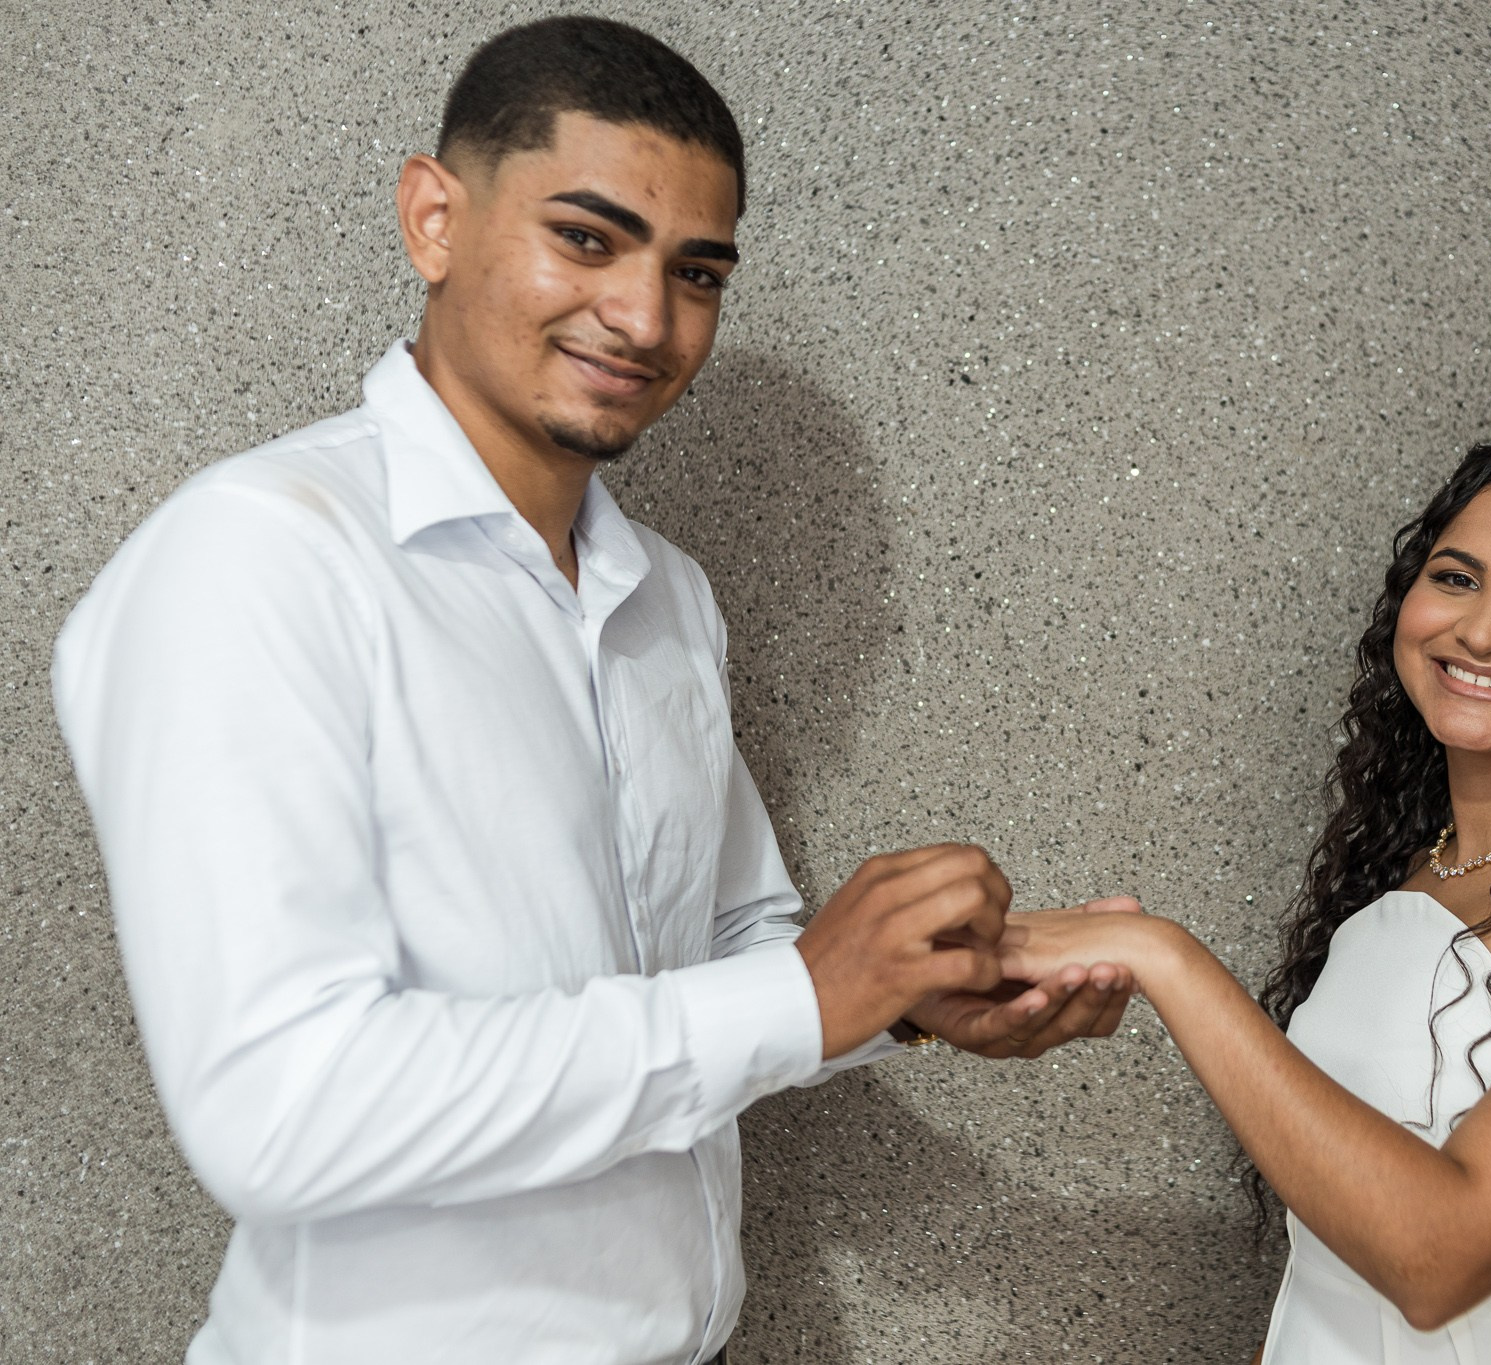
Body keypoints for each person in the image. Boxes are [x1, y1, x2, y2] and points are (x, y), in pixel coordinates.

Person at [52, 18, 1135, 1365]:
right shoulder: (258, 556)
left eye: (698, 271)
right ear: (434, 218)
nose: (646, 318)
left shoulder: (666, 592)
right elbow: (281, 1109)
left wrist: (897, 1002)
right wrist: (804, 994)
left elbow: (733, 945)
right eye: (586, 237)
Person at [1000, 428, 1491, 1363]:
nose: (1485, 631)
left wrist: (1165, 959)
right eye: (1457, 578)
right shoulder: (1409, 875)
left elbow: (1439, 1258)